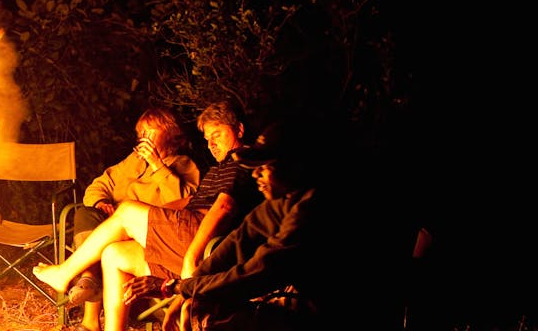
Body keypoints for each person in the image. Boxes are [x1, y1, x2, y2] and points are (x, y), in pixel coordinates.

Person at [123, 120, 409, 330]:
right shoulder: (283, 199)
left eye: (265, 166)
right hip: (305, 299)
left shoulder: (315, 205)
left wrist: (176, 288)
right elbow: (238, 243)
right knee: (210, 312)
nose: (256, 175)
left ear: (294, 165)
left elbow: (261, 271)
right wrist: (189, 289)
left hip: (351, 310)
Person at [35, 102, 263, 331]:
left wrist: (191, 258)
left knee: (126, 212)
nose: (211, 143)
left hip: (203, 245)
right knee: (114, 254)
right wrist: (141, 212)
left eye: (217, 134)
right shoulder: (218, 168)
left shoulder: (242, 161)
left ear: (239, 130)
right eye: (207, 138)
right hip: (184, 238)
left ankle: (64, 273)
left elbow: (223, 208)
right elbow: (189, 201)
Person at [63, 108, 199, 329]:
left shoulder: (184, 165)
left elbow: (182, 205)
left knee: (107, 242)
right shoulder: (133, 161)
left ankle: (89, 315)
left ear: (171, 135)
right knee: (85, 213)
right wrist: (100, 203)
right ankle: (90, 281)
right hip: (113, 225)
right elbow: (98, 185)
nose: (144, 137)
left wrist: (157, 166)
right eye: (141, 132)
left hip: (146, 235)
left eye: (151, 132)